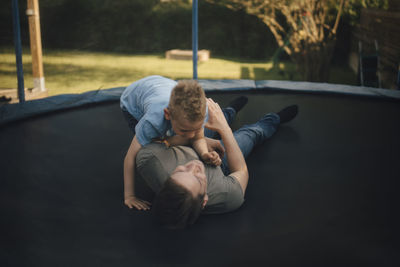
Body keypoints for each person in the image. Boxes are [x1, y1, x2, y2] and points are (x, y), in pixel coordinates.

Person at [134, 98, 299, 229]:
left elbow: (159, 139)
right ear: (205, 200)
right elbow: (241, 169)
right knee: (251, 134)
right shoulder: (227, 197)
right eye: (198, 178)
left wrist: (201, 141)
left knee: (204, 121)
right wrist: (224, 129)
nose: (195, 166)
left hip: (188, 143)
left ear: (167, 180)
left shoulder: (150, 162)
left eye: (182, 170)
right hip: (221, 165)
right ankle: (274, 119)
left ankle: (229, 111)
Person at [120, 75, 247, 210]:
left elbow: (197, 138)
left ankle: (229, 111)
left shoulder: (200, 113)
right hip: (133, 100)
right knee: (148, 143)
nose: (191, 135)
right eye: (185, 130)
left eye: (196, 129)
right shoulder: (152, 121)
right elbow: (130, 158)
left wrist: (204, 153)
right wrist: (129, 196)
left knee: (179, 134)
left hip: (165, 86)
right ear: (168, 114)